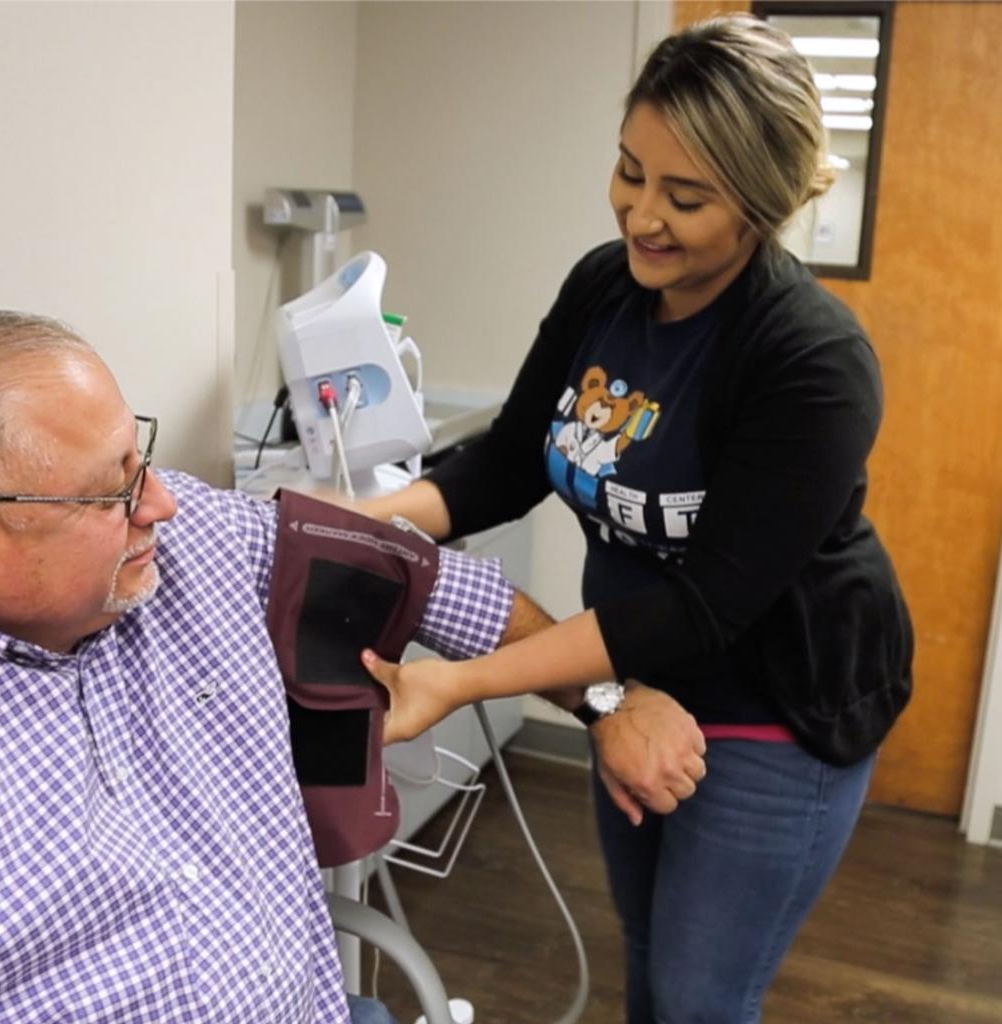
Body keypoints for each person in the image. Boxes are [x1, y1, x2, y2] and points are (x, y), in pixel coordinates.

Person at [0, 310, 689, 1023]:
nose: (165, 506)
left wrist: (606, 701)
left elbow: (441, 590)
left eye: (137, 462)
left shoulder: (187, 544)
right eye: (112, 495)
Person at [356, 15, 914, 1023]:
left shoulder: (811, 360)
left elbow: (706, 605)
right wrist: (364, 517)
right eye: (628, 172)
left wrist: (461, 681)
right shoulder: (605, 286)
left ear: (761, 201)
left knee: (702, 997)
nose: (640, 216)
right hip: (631, 672)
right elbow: (510, 461)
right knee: (652, 964)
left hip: (777, 701)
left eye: (685, 197)